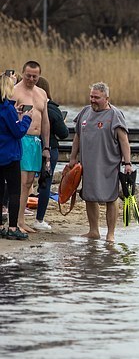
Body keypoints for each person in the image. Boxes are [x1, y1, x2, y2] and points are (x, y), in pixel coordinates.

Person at [68, 82, 133, 242]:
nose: (93, 100)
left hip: (109, 164)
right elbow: (77, 136)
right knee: (89, 197)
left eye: (96, 97)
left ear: (106, 98)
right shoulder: (84, 112)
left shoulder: (115, 115)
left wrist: (128, 163)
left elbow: (124, 141)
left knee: (111, 198)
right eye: (91, 96)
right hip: (88, 164)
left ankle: (110, 234)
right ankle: (94, 231)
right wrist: (73, 157)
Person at [11, 62, 49, 234]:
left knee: (29, 183)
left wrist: (46, 146)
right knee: (21, 181)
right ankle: (15, 221)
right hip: (21, 139)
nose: (31, 79)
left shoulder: (42, 93)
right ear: (23, 73)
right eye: (28, 75)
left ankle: (21, 220)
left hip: (36, 141)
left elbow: (45, 121)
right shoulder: (15, 91)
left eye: (35, 76)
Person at [32, 76, 69, 230]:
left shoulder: (26, 104)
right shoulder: (52, 109)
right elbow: (64, 133)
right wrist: (62, 123)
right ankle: (39, 219)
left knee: (23, 182)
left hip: (29, 146)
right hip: (49, 148)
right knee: (45, 183)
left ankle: (12, 214)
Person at [1, 70, 33, 240]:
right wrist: (26, 118)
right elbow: (18, 132)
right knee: (14, 192)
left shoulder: (8, 109)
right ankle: (13, 227)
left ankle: (0, 225)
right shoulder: (7, 109)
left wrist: (16, 114)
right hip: (10, 155)